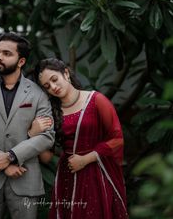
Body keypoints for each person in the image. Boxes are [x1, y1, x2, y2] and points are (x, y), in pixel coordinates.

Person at [0, 32, 55, 219]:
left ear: (21, 61)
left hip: (25, 178)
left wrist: (12, 156)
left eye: (7, 53)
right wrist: (4, 163)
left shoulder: (39, 94)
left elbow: (47, 136)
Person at [31, 58, 129, 219]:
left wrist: (85, 160)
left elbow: (117, 139)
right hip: (67, 175)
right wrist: (33, 135)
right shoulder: (51, 112)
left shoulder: (96, 100)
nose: (53, 87)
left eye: (54, 79)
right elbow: (46, 157)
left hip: (96, 173)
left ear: (66, 74)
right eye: (47, 86)